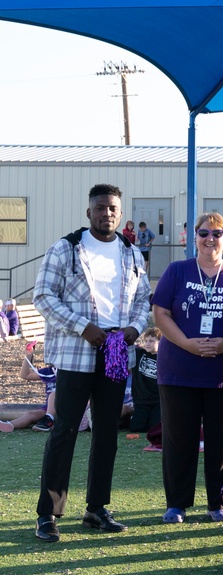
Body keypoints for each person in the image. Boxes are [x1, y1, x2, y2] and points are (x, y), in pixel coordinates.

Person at [31, 183, 151, 542]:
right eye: (100, 208)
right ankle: (48, 514)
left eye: (113, 208)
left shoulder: (132, 253)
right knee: (65, 430)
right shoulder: (66, 249)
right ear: (89, 212)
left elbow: (144, 298)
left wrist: (134, 327)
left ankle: (96, 509)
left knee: (106, 435)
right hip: (75, 351)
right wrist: (83, 328)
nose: (107, 214)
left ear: (120, 211)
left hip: (116, 352)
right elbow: (42, 296)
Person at [153, 212, 223, 525]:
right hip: (179, 370)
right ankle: (176, 504)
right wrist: (187, 343)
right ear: (193, 237)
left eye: (217, 233)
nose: (211, 239)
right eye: (204, 233)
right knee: (178, 439)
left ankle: (220, 503)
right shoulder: (177, 270)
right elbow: (160, 313)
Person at [0, 341, 57, 433]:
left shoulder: (72, 372)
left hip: (66, 408)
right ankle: (9, 425)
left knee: (55, 394)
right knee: (31, 414)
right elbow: (25, 375)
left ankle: (49, 420)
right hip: (49, 410)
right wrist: (28, 355)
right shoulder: (49, 371)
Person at [129, 328, 161, 433]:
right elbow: (128, 345)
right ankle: (128, 416)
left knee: (155, 427)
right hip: (141, 400)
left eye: (151, 341)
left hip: (158, 400)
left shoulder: (165, 357)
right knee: (136, 428)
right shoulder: (139, 353)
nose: (147, 344)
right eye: (146, 341)